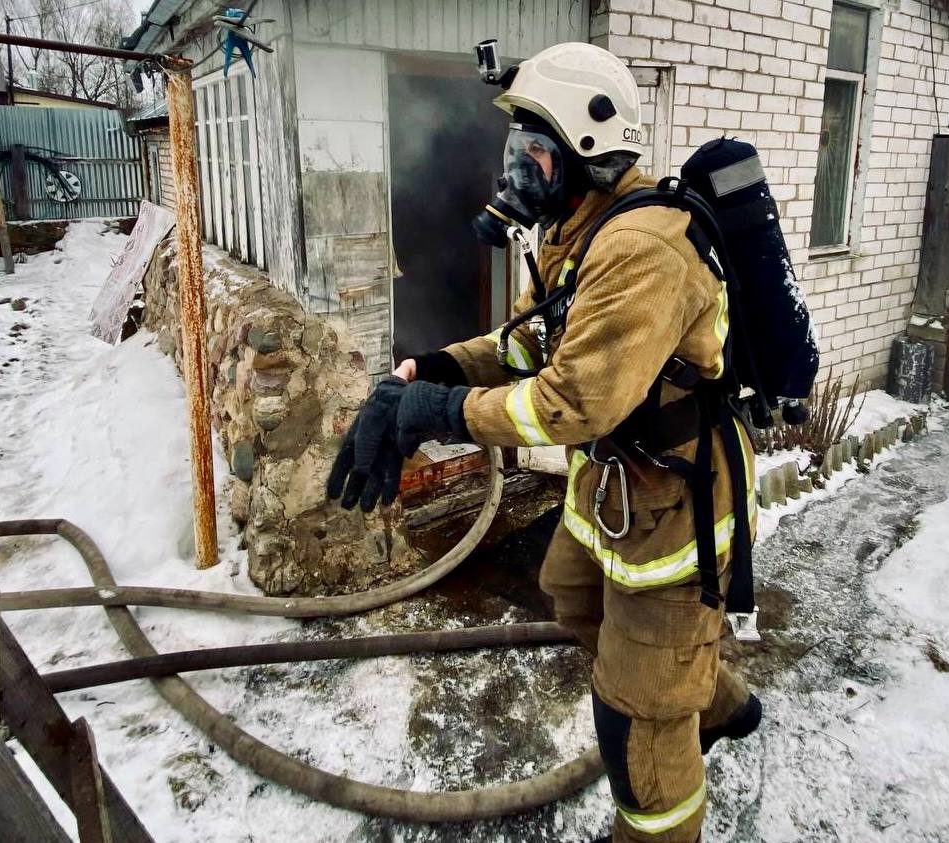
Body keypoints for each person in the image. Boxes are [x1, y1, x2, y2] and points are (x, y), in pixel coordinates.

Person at [327, 42, 762, 842]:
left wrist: (442, 412)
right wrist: (435, 368)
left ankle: (666, 771)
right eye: (514, 149)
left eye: (532, 150)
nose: (515, 171)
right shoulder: (575, 233)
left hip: (676, 505)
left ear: (589, 149)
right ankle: (710, 690)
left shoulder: (643, 248)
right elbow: (528, 346)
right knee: (570, 593)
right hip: (612, 491)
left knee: (638, 719)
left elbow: (571, 404)